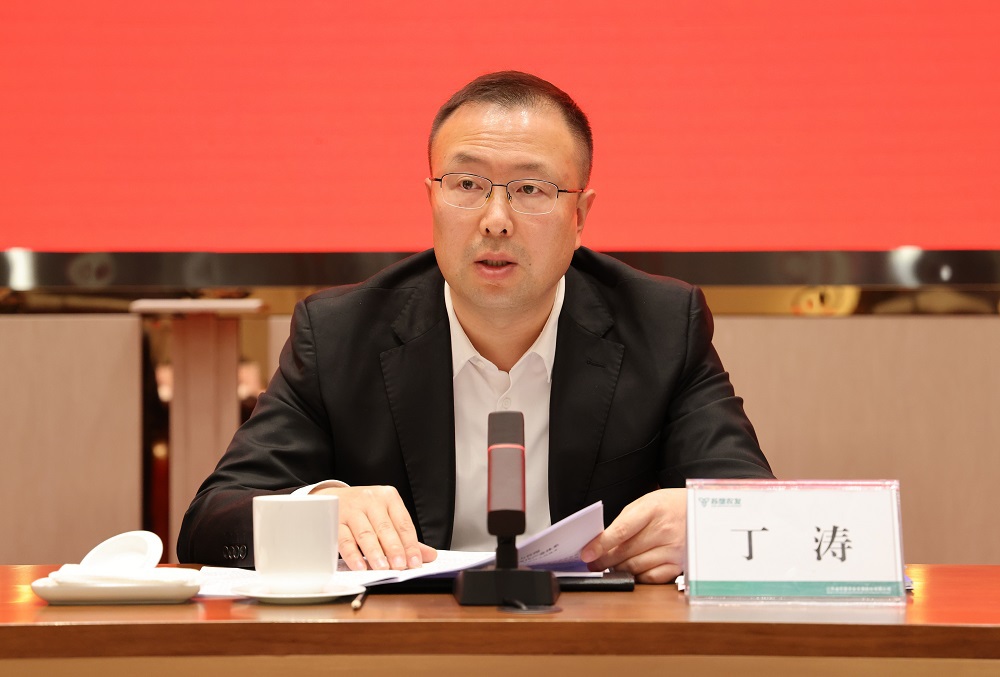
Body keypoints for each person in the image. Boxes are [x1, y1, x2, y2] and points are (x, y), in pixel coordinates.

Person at [177, 71, 773, 583]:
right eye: (466, 185)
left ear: (580, 215)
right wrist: (317, 508)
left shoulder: (662, 326)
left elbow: (766, 512)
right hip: (405, 648)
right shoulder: (339, 335)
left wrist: (707, 525)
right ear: (432, 200)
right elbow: (209, 524)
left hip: (591, 646)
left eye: (531, 189)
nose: (495, 220)